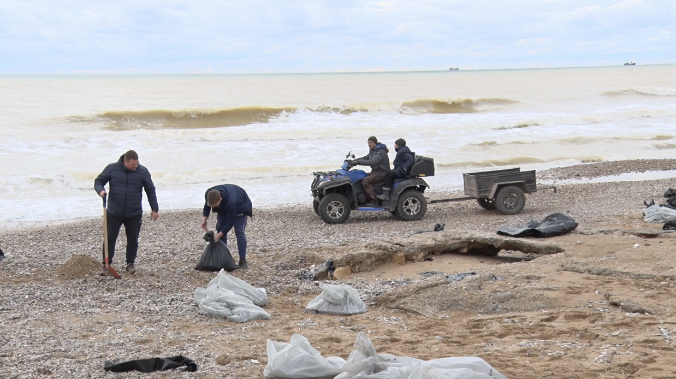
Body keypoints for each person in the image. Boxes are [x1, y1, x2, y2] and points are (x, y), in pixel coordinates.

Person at [94, 150, 159, 275]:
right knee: (110, 238)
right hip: (114, 211)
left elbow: (150, 190)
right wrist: (100, 191)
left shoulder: (142, 171)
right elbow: (98, 181)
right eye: (133, 165)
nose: (135, 167)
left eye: (137, 164)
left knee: (133, 239)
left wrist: (154, 209)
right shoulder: (112, 169)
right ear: (125, 162)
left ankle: (130, 263)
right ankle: (106, 264)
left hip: (134, 212)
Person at [201, 184, 253, 269]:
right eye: (212, 206)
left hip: (241, 205)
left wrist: (218, 236)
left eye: (214, 205)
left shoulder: (231, 202)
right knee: (220, 227)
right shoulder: (209, 193)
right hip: (225, 205)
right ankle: (223, 257)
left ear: (220, 199)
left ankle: (243, 261)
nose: (212, 207)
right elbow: (207, 206)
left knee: (239, 231)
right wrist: (204, 220)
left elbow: (230, 222)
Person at [352, 136, 391, 206]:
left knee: (365, 181)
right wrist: (353, 161)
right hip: (375, 172)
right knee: (360, 178)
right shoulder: (373, 151)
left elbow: (372, 162)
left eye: (371, 142)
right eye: (368, 143)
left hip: (382, 173)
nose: (369, 144)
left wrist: (359, 162)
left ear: (375, 143)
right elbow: (365, 158)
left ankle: (375, 201)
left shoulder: (381, 152)